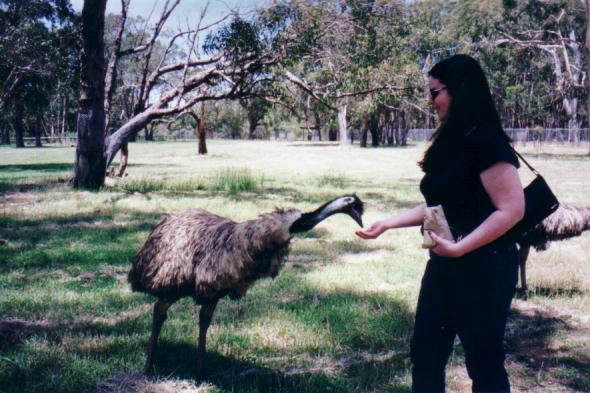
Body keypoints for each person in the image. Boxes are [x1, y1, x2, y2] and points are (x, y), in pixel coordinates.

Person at [356, 54, 525, 392]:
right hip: (444, 266)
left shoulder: (486, 141)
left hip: (486, 270)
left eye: (434, 93)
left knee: (484, 363)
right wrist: (387, 224)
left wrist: (461, 248)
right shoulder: (451, 140)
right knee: (426, 354)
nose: (429, 101)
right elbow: (439, 205)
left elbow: (512, 209)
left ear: (459, 90)